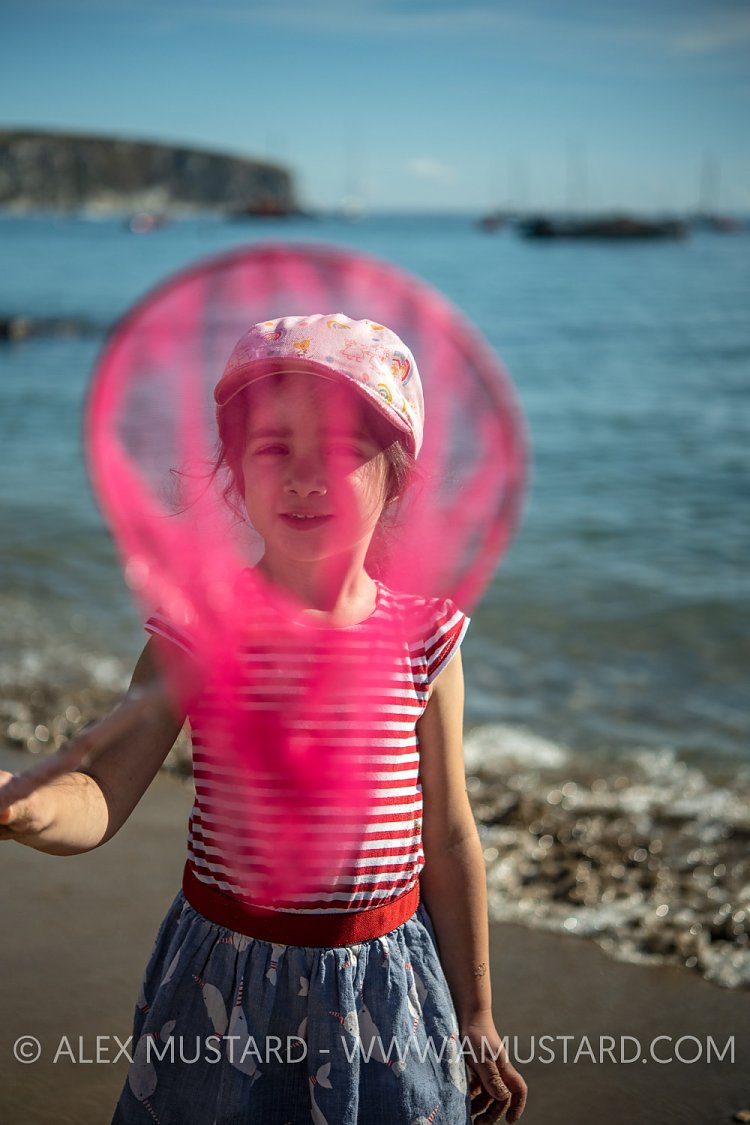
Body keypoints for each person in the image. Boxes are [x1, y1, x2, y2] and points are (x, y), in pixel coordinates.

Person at [0, 314, 527, 1125]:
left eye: (341, 449)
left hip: (385, 981)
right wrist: (29, 804)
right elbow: (102, 790)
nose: (304, 476)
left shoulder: (426, 639)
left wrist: (479, 1013)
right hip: (227, 984)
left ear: (396, 473)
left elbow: (451, 836)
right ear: (237, 471)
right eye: (275, 447)